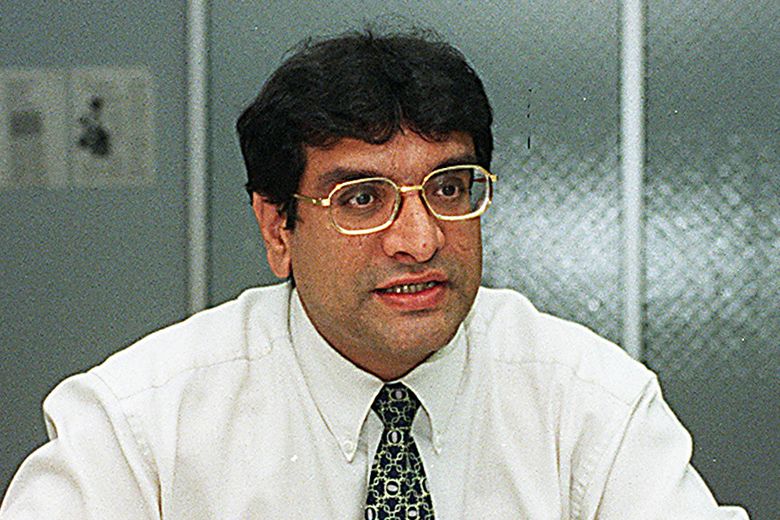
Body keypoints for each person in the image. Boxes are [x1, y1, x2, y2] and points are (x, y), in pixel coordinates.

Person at [0, 29, 748, 519]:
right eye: (362, 198)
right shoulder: (137, 426)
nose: (420, 240)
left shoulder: (589, 402)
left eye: (448, 188)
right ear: (277, 228)